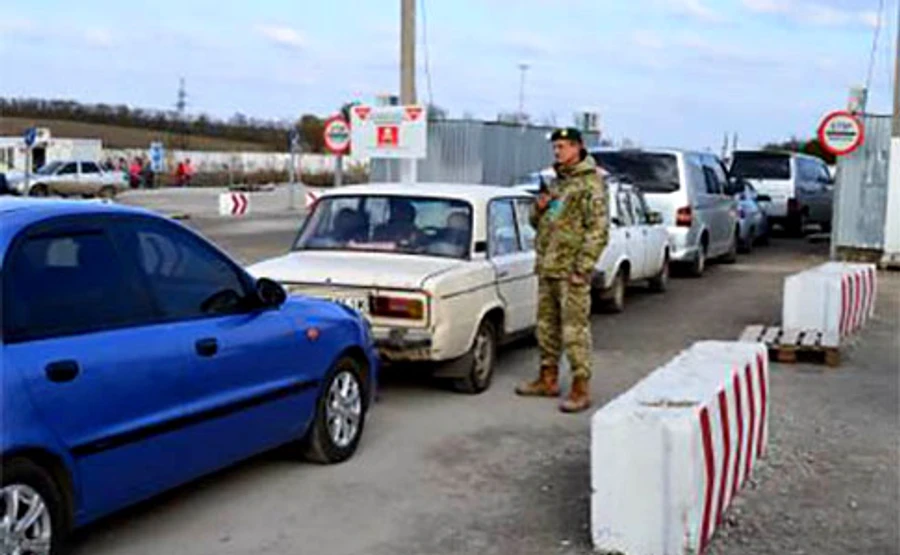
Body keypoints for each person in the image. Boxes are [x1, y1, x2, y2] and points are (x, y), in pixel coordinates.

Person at [515, 127, 609, 413]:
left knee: (574, 330)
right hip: (548, 267)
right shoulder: (557, 183)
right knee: (546, 327)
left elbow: (599, 230)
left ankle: (581, 387)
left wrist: (582, 268)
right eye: (555, 148)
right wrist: (538, 208)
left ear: (578, 148)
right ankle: (548, 378)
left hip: (571, 271)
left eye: (564, 147)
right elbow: (537, 222)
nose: (558, 152)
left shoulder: (591, 184)